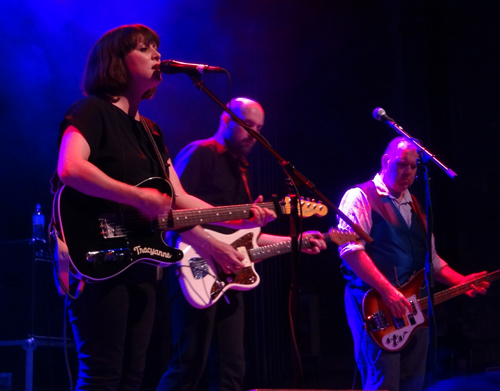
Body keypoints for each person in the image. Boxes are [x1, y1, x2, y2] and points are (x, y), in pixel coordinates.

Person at [53, 25, 276, 391]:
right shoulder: (91, 110)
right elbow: (71, 168)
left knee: (133, 375)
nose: (157, 55)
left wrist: (239, 215)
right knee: (103, 374)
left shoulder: (153, 132)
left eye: (157, 47)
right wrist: (138, 197)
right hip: (95, 254)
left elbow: (178, 198)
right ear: (117, 61)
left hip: (140, 259)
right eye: (145, 48)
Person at [156, 97, 327, 391]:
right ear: (226, 120)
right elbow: (173, 212)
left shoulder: (241, 169)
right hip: (192, 263)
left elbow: (246, 239)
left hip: (228, 276)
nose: (254, 135)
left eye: (260, 128)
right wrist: (212, 246)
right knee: (189, 363)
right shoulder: (201, 153)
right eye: (248, 125)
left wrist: (295, 241)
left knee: (232, 368)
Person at [336, 137, 490, 391]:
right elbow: (350, 251)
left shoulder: (416, 206)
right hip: (375, 307)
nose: (407, 172)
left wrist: (462, 282)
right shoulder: (360, 196)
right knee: (383, 383)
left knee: (414, 384)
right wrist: (388, 291)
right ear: (385, 162)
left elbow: (433, 262)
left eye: (413, 166)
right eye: (401, 164)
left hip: (413, 311)